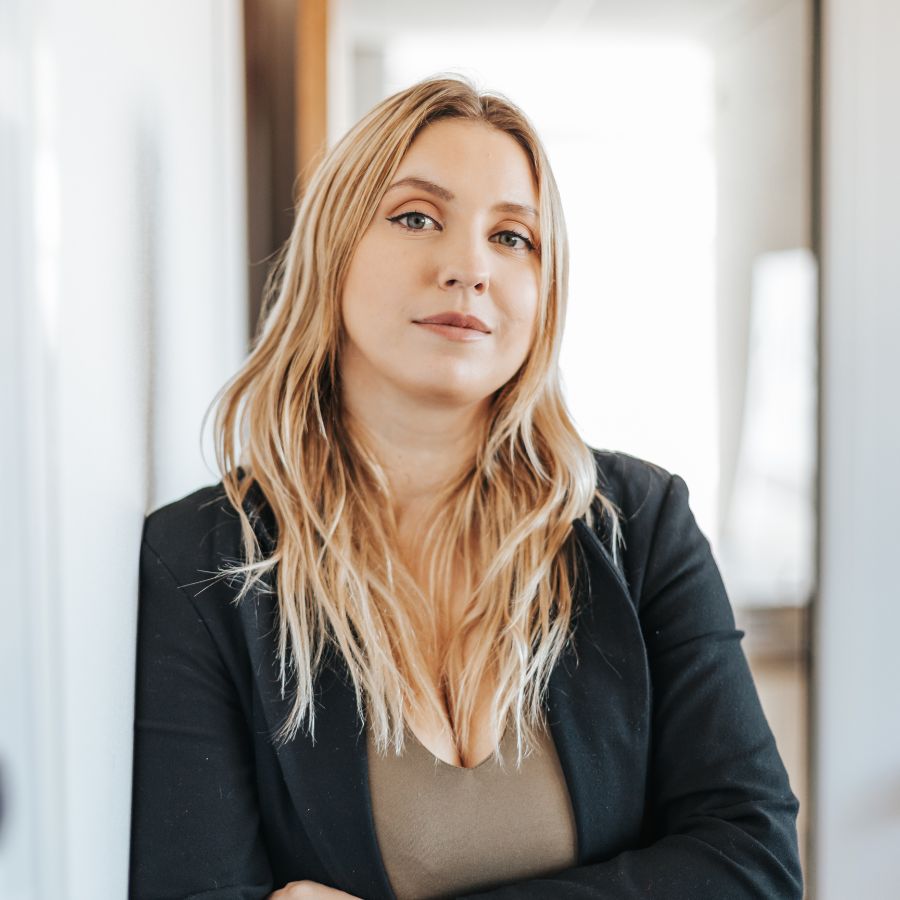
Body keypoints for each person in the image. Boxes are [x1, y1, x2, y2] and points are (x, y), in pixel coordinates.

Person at [128, 74, 803, 899]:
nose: (469, 268)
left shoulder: (639, 522)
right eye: (417, 218)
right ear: (334, 249)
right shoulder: (198, 560)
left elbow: (754, 862)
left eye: (513, 237)